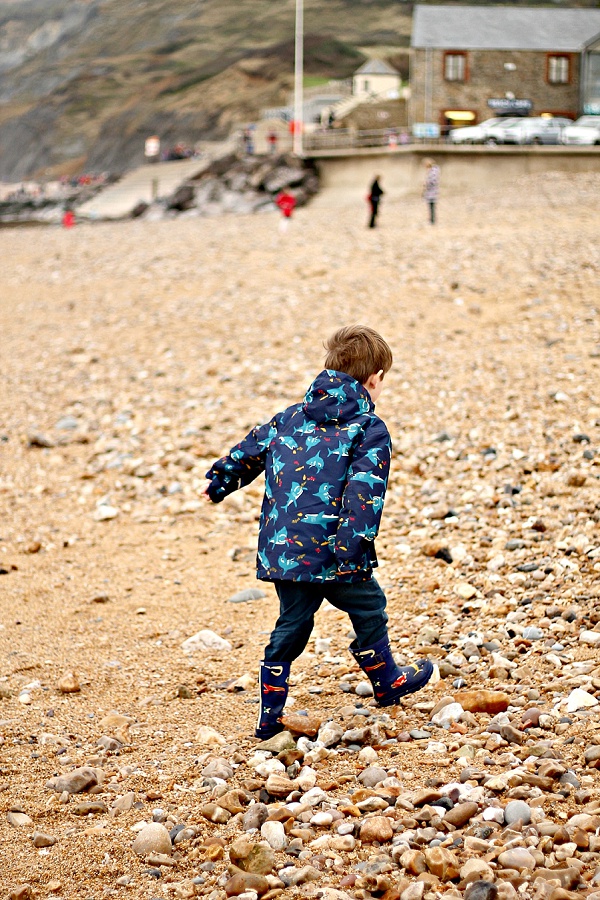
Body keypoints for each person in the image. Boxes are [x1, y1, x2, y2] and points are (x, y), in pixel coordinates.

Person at [202, 326, 434, 738]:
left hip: (285, 552)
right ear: (374, 379)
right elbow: (364, 496)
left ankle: (270, 715)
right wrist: (352, 549)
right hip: (338, 554)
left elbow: (248, 452)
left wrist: (220, 482)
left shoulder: (289, 417)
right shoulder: (369, 428)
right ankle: (387, 681)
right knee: (369, 608)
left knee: (292, 623)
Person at [423, 158, 440, 225]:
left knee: (432, 206)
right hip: (431, 192)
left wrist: (426, 184)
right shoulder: (433, 171)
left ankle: (432, 220)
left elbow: (433, 181)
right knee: (430, 206)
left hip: (432, 192)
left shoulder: (433, 171)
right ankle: (431, 219)